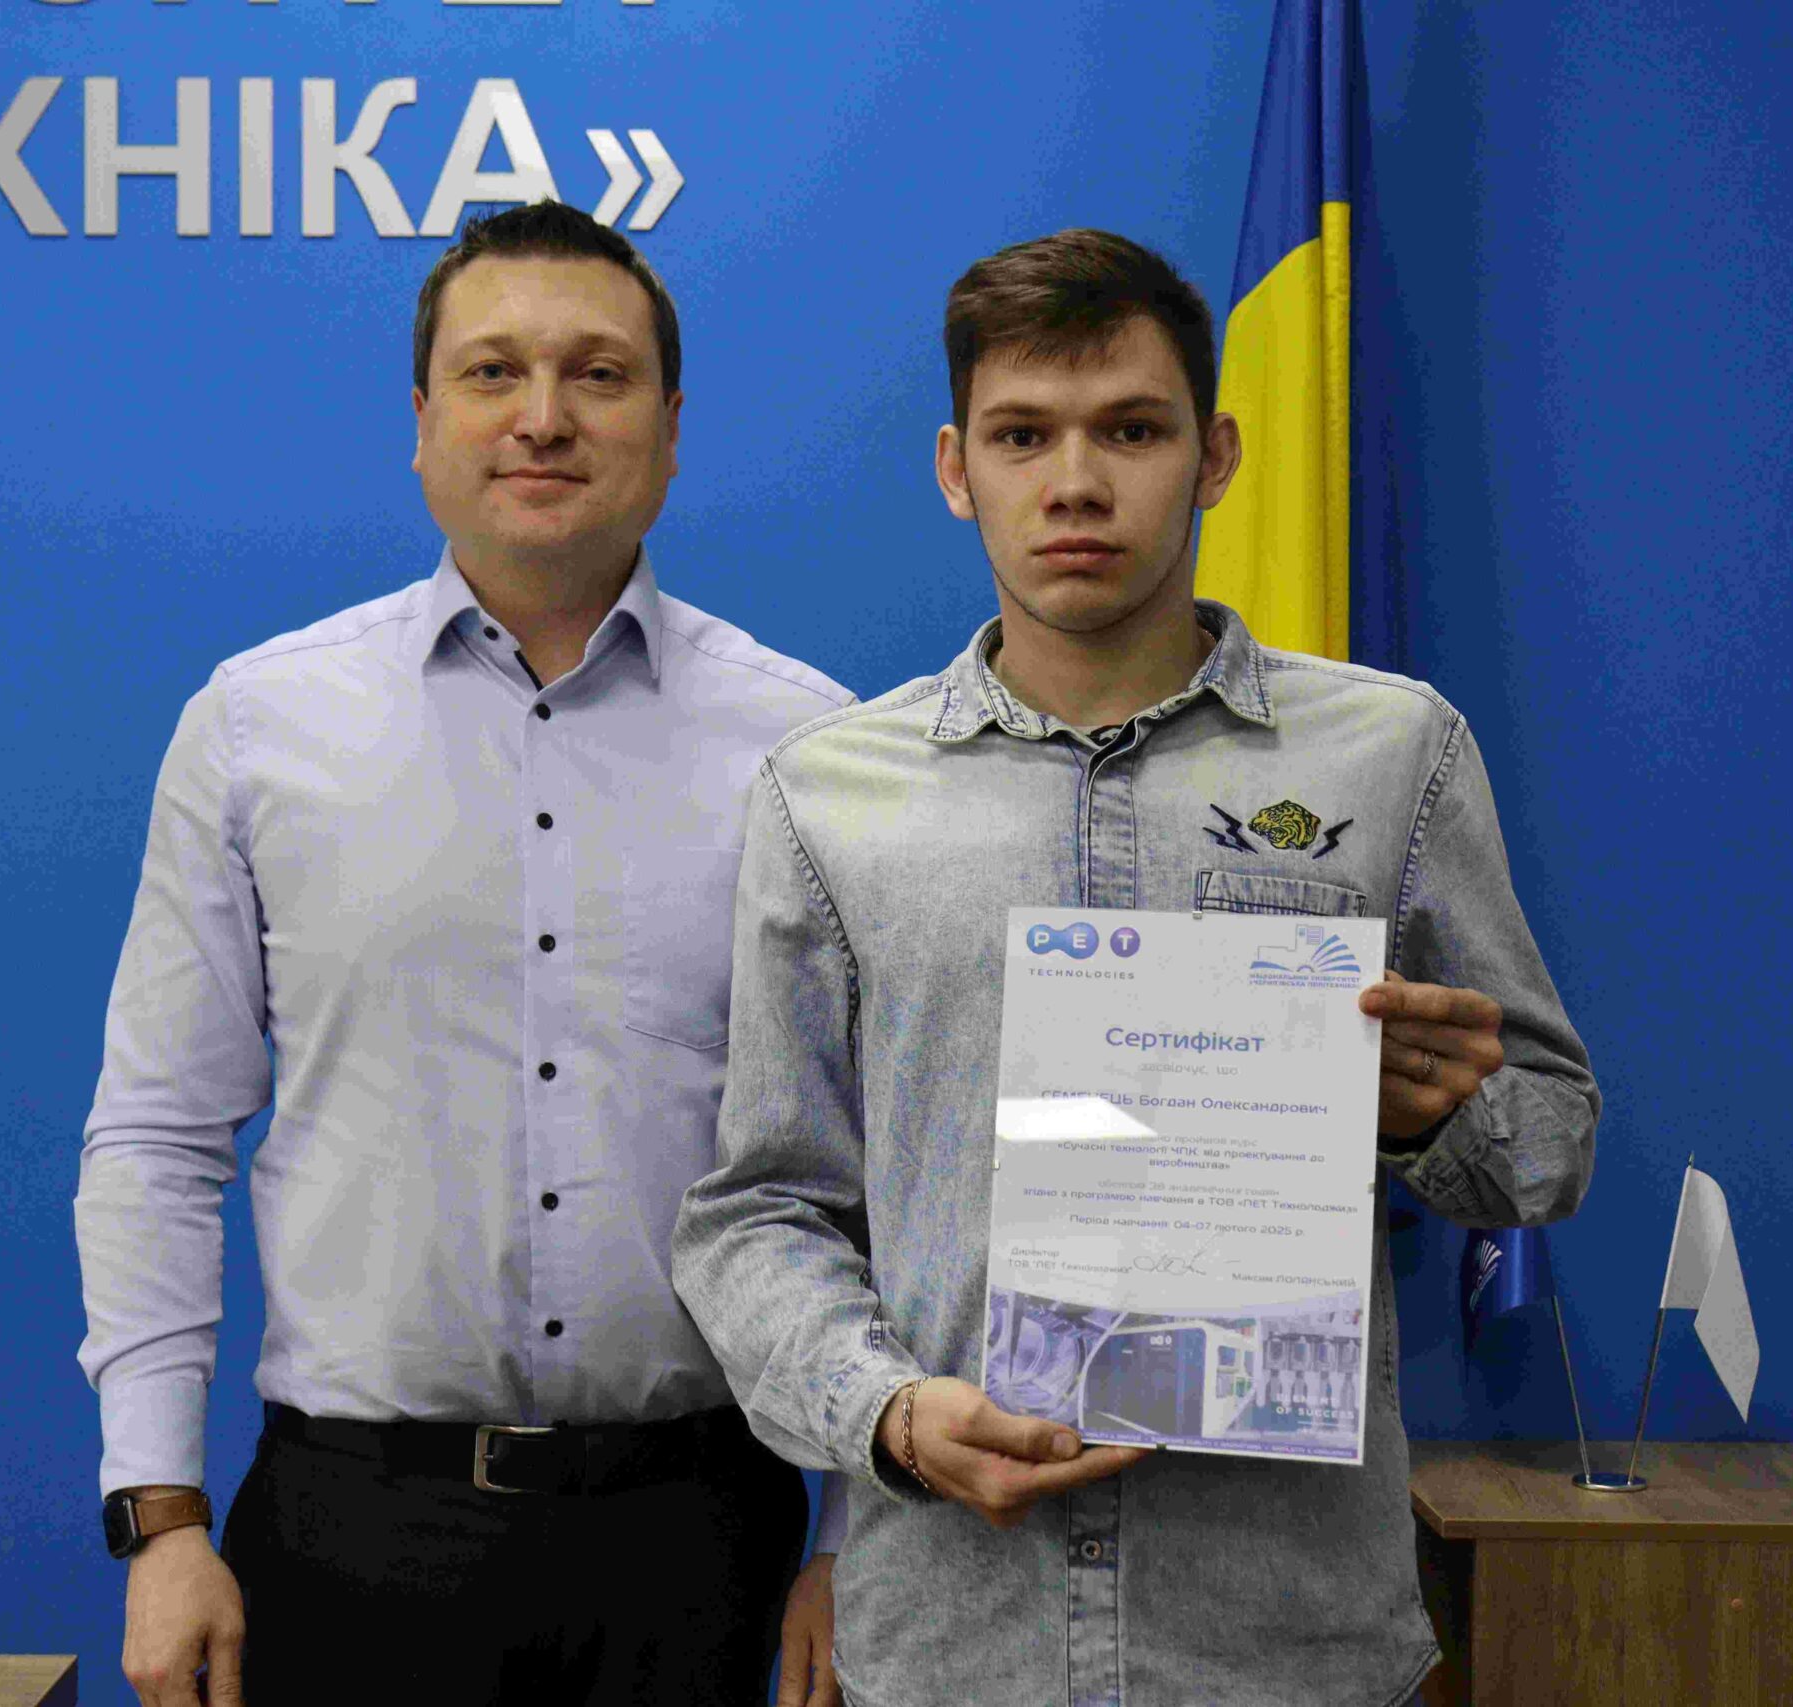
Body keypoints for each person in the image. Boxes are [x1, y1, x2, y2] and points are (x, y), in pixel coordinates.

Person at [672, 228, 1599, 1707]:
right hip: (958, 1646)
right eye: (1022, 436)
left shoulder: (1391, 754)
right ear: (955, 469)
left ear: (1215, 455)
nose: (1077, 482)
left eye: (1131, 430)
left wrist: (1429, 1118)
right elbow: (759, 1212)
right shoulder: (828, 796)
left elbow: (1546, 1146)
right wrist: (889, 1415)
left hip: (1285, 1648)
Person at [76, 200, 853, 1707]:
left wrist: (853, 1534)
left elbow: (879, 1177)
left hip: (705, 1542)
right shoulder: (257, 728)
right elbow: (159, 1138)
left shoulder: (812, 750)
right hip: (351, 1536)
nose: (542, 417)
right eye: (493, 371)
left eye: (598, 375)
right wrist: (159, 1517)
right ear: (423, 421)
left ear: (671, 429)